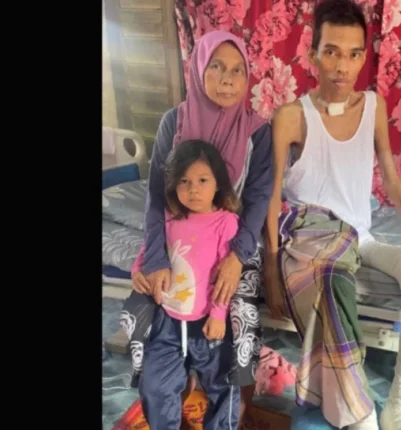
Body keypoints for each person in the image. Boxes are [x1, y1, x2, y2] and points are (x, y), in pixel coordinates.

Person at [263, 1, 401, 429]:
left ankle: (400, 409)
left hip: (359, 237)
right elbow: (271, 195)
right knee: (332, 278)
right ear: (313, 54)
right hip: (312, 240)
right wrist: (272, 269)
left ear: (363, 57)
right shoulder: (291, 117)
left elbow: (391, 180)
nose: (342, 67)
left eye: (353, 54)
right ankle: (358, 414)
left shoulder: (374, 106)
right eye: (331, 52)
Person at [119, 30, 273, 425]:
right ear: (199, 68)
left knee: (238, 330)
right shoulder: (175, 121)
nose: (227, 80)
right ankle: (168, 387)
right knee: (151, 313)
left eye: (237, 71)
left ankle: (233, 407)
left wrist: (237, 258)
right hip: (177, 236)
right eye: (217, 67)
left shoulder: (257, 132)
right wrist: (154, 260)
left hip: (234, 239)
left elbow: (258, 199)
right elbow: (157, 195)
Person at [133, 139, 241, 429]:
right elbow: (148, 249)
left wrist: (218, 314)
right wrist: (137, 270)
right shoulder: (169, 218)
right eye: (184, 181)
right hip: (167, 322)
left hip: (208, 324)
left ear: (217, 183)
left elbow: (226, 277)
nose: (193, 189)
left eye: (202, 180)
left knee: (224, 387)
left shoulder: (226, 223)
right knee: (154, 387)